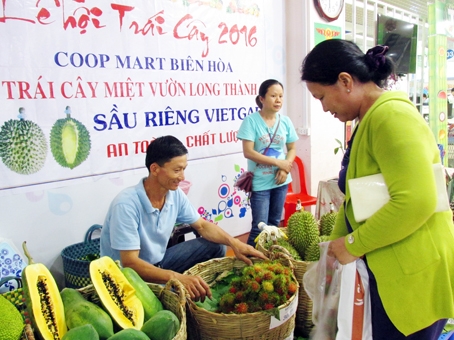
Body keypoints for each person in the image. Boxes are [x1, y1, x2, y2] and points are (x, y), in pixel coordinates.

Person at [300, 39, 454, 339]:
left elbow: (416, 201)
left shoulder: (391, 116)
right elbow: (367, 195)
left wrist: (352, 245)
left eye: (322, 97)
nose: (324, 108)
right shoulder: (370, 118)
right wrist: (334, 248)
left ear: (345, 81)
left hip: (413, 274)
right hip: (390, 267)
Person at [100, 135, 267, 301]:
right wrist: (175, 277)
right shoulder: (126, 205)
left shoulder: (175, 195)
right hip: (128, 277)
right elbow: (130, 263)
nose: (182, 177)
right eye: (176, 170)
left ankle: (195, 291)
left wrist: (234, 243)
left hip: (159, 263)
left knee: (217, 247)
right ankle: (174, 291)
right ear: (155, 169)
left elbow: (201, 226)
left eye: (183, 169)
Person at [237, 79, 299, 247]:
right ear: (262, 99)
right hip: (260, 182)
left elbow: (292, 148)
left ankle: (270, 262)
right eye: (273, 95)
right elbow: (248, 152)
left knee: (274, 223)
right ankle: (247, 263)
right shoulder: (251, 121)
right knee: (259, 227)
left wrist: (285, 168)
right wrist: (279, 163)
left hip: (281, 180)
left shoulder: (285, 121)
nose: (278, 100)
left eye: (281, 96)